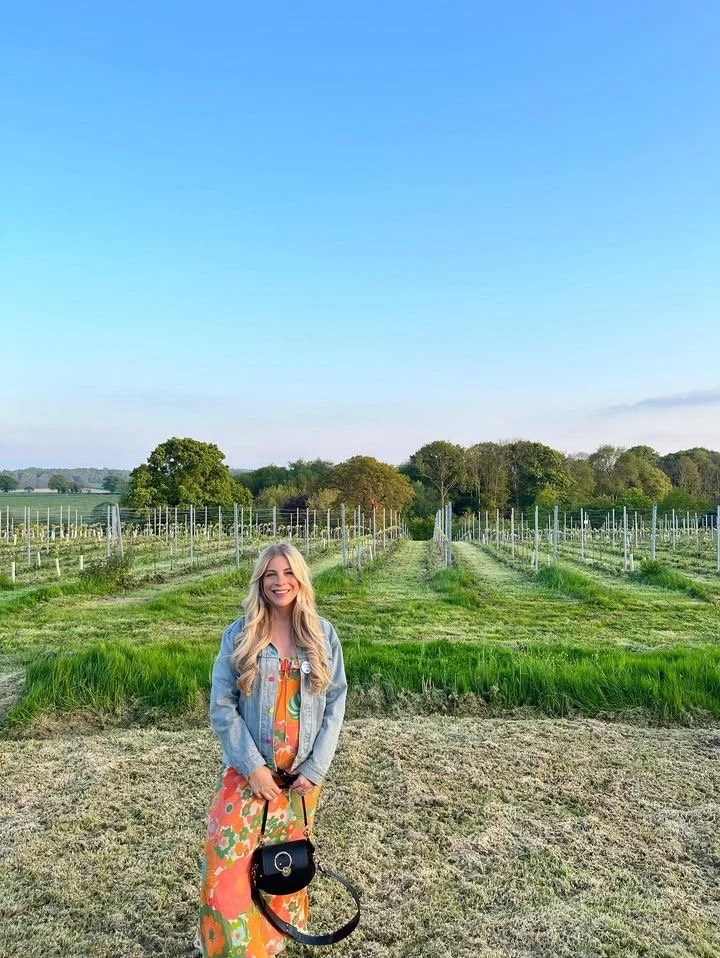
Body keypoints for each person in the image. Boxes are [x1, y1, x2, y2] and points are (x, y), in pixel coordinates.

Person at [197, 541, 348, 957]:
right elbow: (222, 705)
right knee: (223, 869)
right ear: (260, 582)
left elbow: (335, 702)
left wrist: (316, 768)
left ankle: (270, 947)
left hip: (299, 781)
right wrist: (251, 768)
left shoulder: (322, 634)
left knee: (281, 866)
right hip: (250, 775)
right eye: (270, 575)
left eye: (287, 573)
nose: (280, 583)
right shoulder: (240, 633)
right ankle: (232, 949)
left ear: (300, 579)